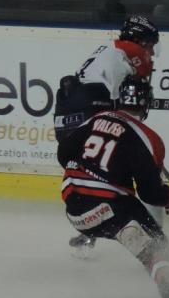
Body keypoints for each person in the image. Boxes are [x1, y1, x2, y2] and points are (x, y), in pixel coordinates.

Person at [57, 76, 169, 298]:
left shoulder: (96, 118)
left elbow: (63, 153)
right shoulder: (148, 138)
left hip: (74, 210)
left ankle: (151, 245)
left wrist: (95, 170)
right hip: (109, 208)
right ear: (146, 103)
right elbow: (151, 193)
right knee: (155, 248)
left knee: (134, 218)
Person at [54, 14, 161, 256]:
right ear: (140, 40)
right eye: (151, 45)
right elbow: (120, 103)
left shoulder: (112, 50)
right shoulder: (125, 53)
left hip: (71, 120)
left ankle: (90, 231)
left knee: (101, 175)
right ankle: (156, 240)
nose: (152, 53)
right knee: (120, 177)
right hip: (82, 120)